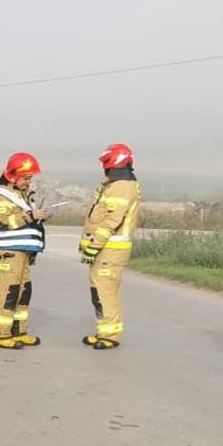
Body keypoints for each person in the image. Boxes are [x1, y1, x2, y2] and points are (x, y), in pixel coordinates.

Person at [79, 144, 141, 349]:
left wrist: (94, 246)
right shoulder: (114, 185)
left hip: (110, 249)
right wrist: (87, 243)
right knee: (99, 291)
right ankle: (104, 331)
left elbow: (111, 221)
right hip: (105, 249)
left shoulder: (122, 186)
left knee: (105, 292)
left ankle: (110, 336)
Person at [0, 153, 47, 348]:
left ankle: (19, 331)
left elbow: (24, 217)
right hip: (9, 253)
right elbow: (6, 222)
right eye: (25, 178)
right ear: (12, 176)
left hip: (23, 253)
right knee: (8, 293)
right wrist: (31, 216)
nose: (28, 182)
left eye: (30, 178)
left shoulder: (22, 195)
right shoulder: (0, 196)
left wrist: (38, 217)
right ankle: (1, 334)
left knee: (23, 292)